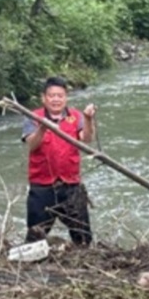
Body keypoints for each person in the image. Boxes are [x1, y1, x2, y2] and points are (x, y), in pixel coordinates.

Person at [22, 76, 97, 245]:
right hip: (42, 187)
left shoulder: (76, 116)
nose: (56, 99)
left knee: (83, 238)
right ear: (44, 98)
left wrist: (88, 119)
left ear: (66, 98)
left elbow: (86, 139)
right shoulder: (33, 117)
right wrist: (43, 127)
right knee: (35, 237)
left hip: (70, 186)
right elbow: (32, 145)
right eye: (52, 95)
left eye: (60, 95)